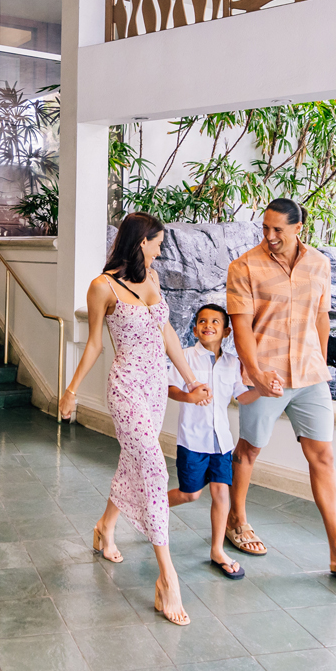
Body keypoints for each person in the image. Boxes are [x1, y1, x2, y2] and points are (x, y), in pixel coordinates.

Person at [224, 198, 336, 577]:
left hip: (310, 376)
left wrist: (322, 362)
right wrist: (254, 371)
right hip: (266, 376)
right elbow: (241, 326)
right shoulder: (244, 267)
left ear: (299, 228)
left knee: (324, 457)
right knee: (248, 450)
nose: (269, 236)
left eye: (277, 230)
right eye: (265, 228)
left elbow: (321, 316)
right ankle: (237, 521)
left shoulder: (319, 264)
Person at [59, 213, 207, 625]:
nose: (161, 248)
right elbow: (92, 345)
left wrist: (192, 381)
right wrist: (70, 391)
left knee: (134, 461)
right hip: (125, 388)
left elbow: (169, 336)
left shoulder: (154, 280)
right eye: (157, 241)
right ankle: (167, 577)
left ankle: (106, 526)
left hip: (156, 387)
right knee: (156, 470)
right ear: (141, 241)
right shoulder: (101, 287)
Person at [166, 304, 261, 580]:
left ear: (227, 331)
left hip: (222, 443)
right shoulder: (185, 357)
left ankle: (217, 550)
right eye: (202, 321)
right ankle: (150, 506)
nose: (208, 325)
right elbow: (170, 387)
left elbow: (241, 397)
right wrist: (189, 397)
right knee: (190, 494)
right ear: (195, 328)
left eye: (215, 322)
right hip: (192, 441)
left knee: (221, 493)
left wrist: (264, 392)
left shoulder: (232, 363)